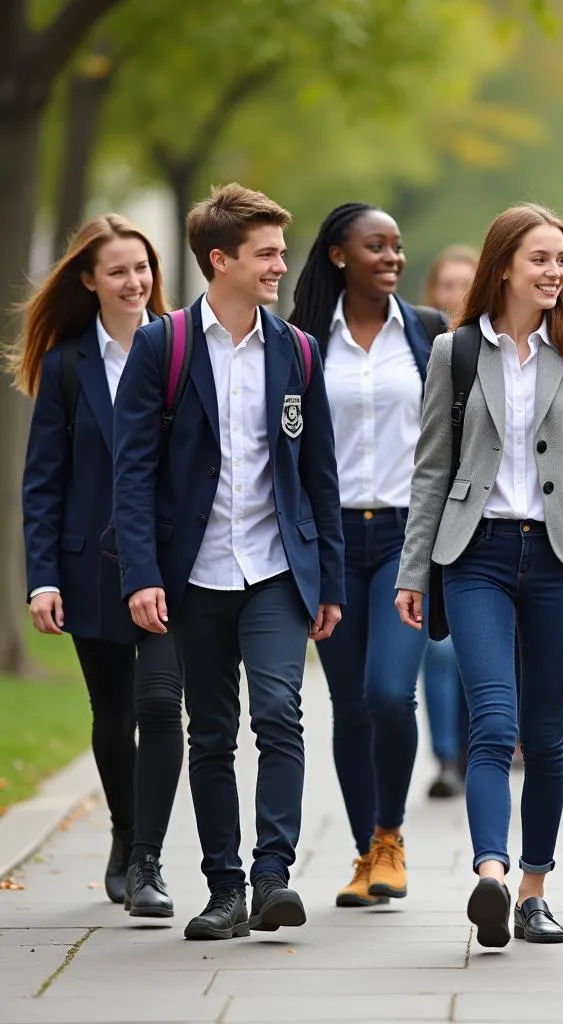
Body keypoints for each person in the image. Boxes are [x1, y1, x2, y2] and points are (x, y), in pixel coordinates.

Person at [113, 184, 346, 941]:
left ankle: (274, 876)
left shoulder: (297, 350)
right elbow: (133, 471)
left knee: (280, 714)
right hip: (193, 575)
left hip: (277, 571)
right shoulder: (164, 346)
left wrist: (329, 582)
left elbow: (319, 477)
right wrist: (142, 575)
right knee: (211, 732)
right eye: (269, 252)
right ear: (222, 260)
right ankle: (225, 889)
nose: (283, 264)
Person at [395, 203, 563, 948]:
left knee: (548, 736)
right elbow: (430, 468)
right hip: (476, 557)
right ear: (504, 267)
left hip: (561, 558)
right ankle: (491, 875)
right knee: (492, 724)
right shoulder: (455, 353)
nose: (556, 271)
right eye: (541, 259)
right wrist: (412, 570)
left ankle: (535, 889)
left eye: (560, 259)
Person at [15, 214, 184, 917]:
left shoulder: (179, 352)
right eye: (118, 270)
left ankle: (147, 858)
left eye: (142, 268)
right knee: (113, 714)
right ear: (89, 280)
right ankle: (123, 831)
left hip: (170, 566)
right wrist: (43, 577)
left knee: (159, 704)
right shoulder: (65, 367)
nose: (134, 281)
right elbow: (43, 481)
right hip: (90, 569)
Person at [289, 203, 445, 908]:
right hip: (332, 540)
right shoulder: (300, 343)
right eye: (374, 245)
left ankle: (391, 834)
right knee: (348, 705)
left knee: (389, 692)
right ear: (337, 256)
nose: (391, 256)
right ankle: (366, 854)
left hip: (406, 538)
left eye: (397, 245)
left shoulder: (430, 335)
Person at [419, 244, 480, 801]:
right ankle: (443, 755)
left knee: (469, 655)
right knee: (437, 651)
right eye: (446, 284)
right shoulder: (431, 352)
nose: (455, 295)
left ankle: (470, 748)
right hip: (428, 523)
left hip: (485, 529)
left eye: (467, 283)